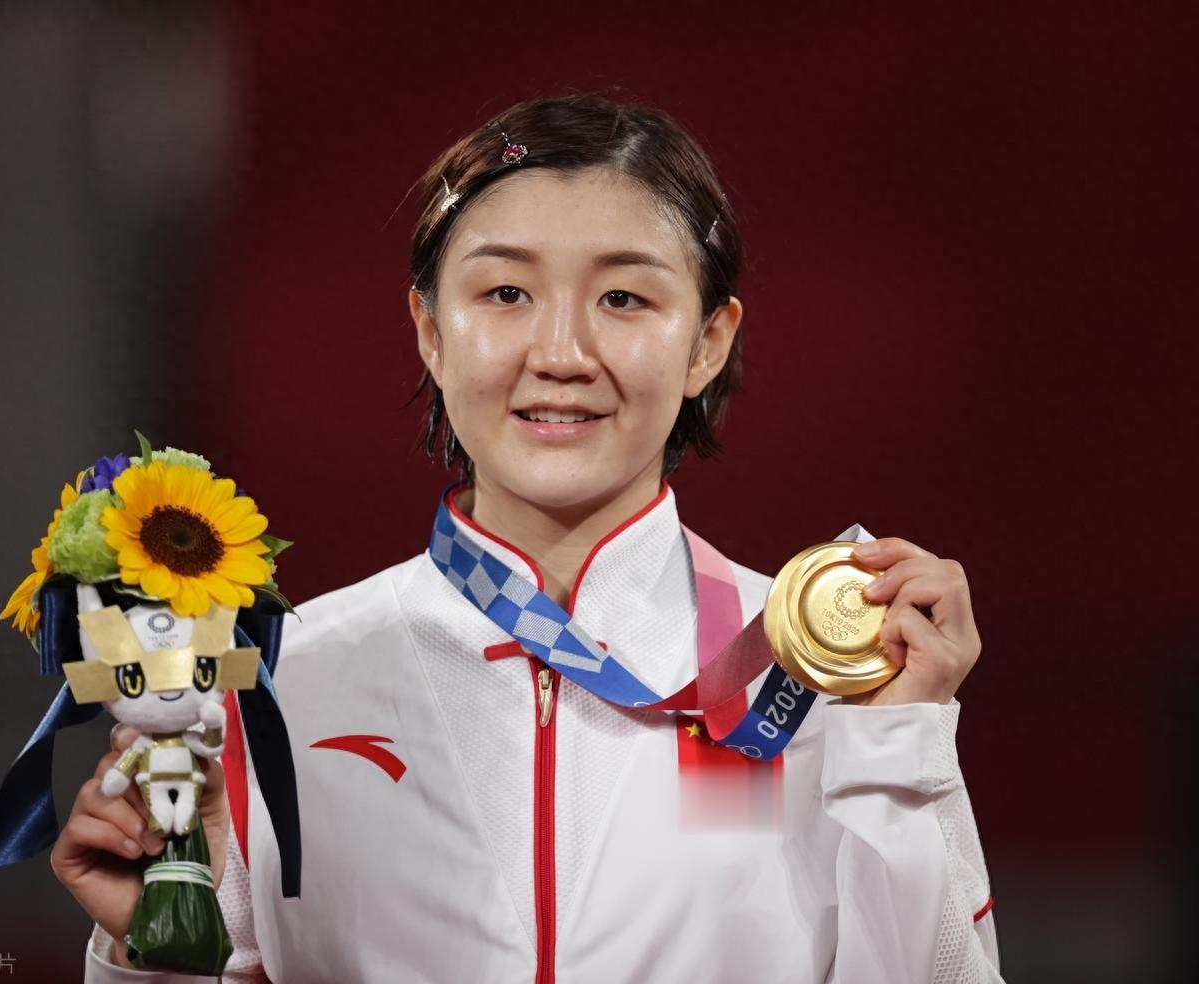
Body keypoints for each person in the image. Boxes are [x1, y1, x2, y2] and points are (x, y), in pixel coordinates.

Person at [55, 93, 1003, 983]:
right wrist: (149, 951)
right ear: (430, 330)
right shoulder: (276, 685)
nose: (560, 354)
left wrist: (898, 745)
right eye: (506, 293)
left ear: (707, 344)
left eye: (623, 299)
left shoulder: (825, 680)